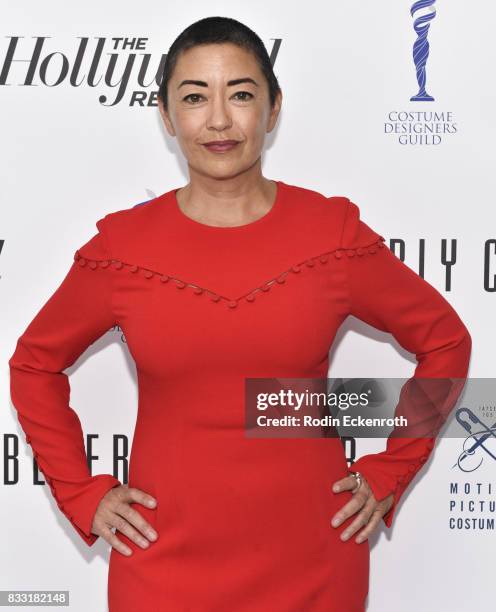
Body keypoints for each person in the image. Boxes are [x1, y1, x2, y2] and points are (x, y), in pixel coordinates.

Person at [8, 15, 472, 612]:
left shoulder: (332, 236)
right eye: (195, 97)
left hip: (313, 558)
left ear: (274, 109)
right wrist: (81, 491)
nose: (220, 119)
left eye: (242, 95)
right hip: (162, 560)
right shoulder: (121, 250)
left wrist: (391, 469)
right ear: (166, 114)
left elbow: (446, 341)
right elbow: (33, 365)